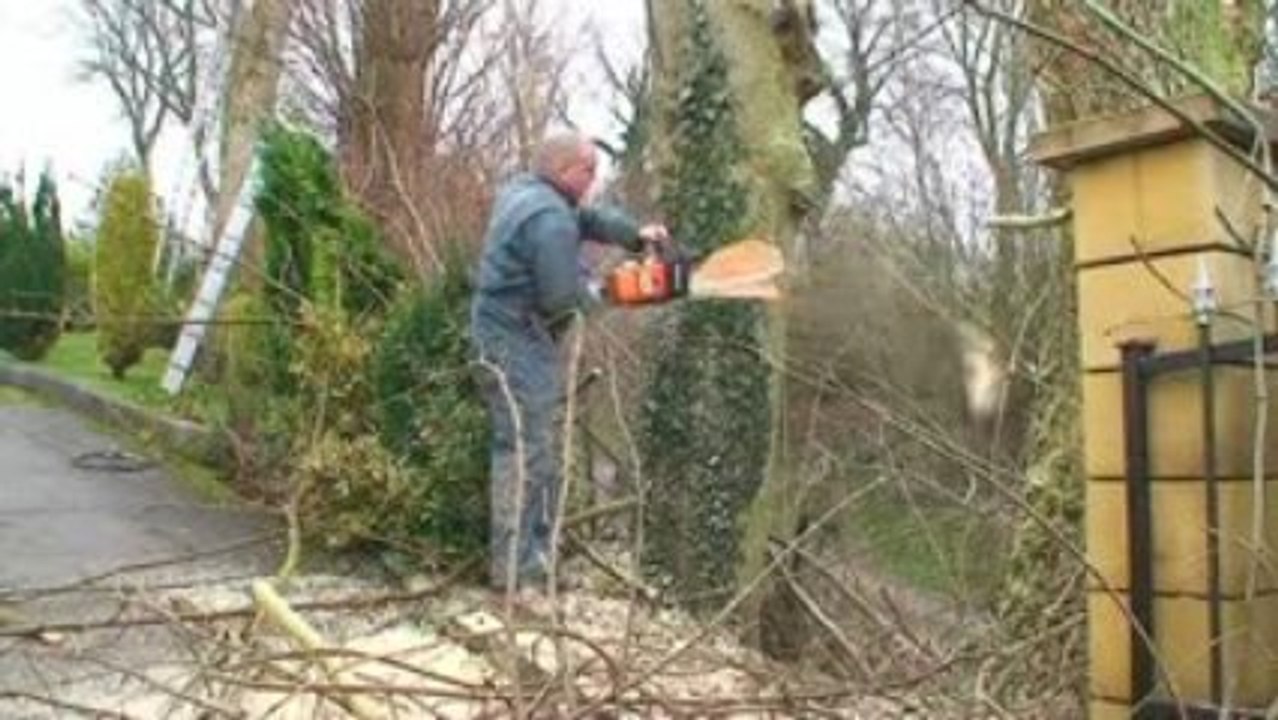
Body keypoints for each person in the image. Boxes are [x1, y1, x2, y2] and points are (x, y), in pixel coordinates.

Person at [469, 133, 668, 592]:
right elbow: (563, 301)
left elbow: (588, 219)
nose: (594, 182)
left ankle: (531, 558)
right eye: (589, 172)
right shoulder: (550, 220)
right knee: (526, 451)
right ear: (564, 170)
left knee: (530, 447)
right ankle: (517, 571)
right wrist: (624, 289)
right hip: (517, 342)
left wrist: (635, 237)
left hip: (497, 331)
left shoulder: (524, 192)